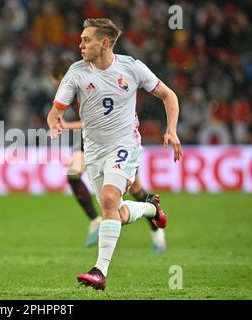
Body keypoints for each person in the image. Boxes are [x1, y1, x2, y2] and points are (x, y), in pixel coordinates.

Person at [47, 18, 182, 290]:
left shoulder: (132, 68)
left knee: (109, 199)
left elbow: (169, 96)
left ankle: (99, 271)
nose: (80, 44)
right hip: (94, 149)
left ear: (104, 43)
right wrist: (54, 122)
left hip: (125, 145)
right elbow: (56, 110)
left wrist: (171, 129)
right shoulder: (76, 72)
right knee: (115, 212)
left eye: (86, 39)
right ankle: (150, 208)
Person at [51, 57, 166, 252]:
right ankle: (95, 220)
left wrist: (68, 125)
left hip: (117, 140)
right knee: (72, 171)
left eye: (59, 83)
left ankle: (156, 229)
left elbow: (100, 120)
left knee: (137, 190)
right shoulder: (73, 89)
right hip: (90, 139)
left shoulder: (89, 82)